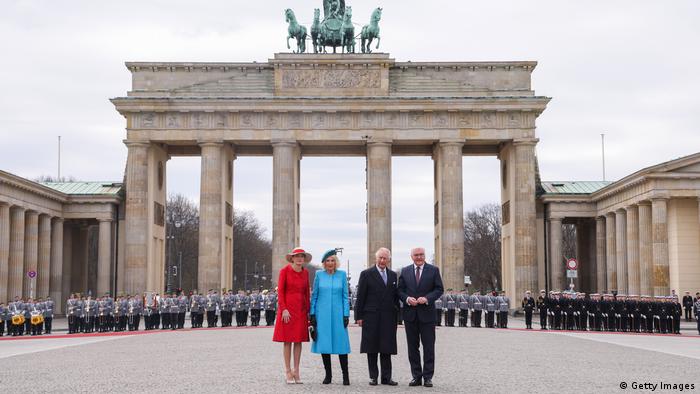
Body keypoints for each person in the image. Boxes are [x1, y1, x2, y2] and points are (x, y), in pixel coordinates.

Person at [398, 247, 444, 388]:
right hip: (410, 315)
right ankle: (416, 376)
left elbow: (439, 289)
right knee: (413, 347)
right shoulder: (404, 271)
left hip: (427, 315)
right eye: (416, 255)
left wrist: (427, 298)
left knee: (429, 347)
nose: (419, 257)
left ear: (424, 256)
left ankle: (428, 377)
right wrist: (406, 299)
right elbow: (399, 290)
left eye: (421, 255)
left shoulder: (433, 270)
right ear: (411, 256)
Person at [355, 247, 399, 386]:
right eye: (380, 257)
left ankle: (387, 377)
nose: (382, 260)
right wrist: (359, 316)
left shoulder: (393, 275)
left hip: (388, 316)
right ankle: (373, 376)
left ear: (389, 260)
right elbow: (360, 296)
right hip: (371, 315)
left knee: (387, 347)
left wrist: (398, 315)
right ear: (376, 258)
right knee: (372, 347)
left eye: (385, 258)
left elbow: (395, 297)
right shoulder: (366, 274)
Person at [310, 249, 351, 385]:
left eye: (332, 260)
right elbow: (314, 296)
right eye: (327, 261)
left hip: (339, 314)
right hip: (322, 315)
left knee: (342, 344)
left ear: (336, 262)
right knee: (325, 344)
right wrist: (312, 314)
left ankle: (345, 375)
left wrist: (346, 314)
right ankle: (328, 375)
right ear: (324, 263)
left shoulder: (342, 275)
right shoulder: (319, 275)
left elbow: (345, 296)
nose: (330, 263)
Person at [272, 247, 311, 384]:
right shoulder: (284, 271)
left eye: (302, 256)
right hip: (287, 310)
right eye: (297, 256)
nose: (300, 258)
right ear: (292, 258)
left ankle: (297, 370)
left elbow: (307, 292)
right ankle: (288, 371)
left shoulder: (306, 273)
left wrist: (308, 311)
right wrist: (283, 309)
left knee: (298, 341)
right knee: (287, 340)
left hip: (300, 310)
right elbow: (280, 292)